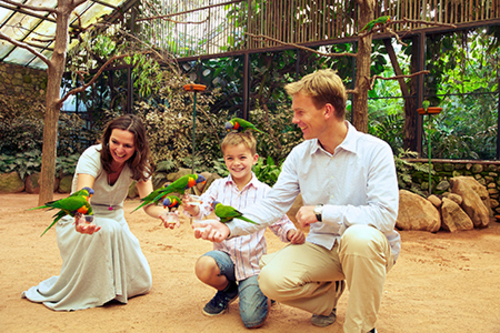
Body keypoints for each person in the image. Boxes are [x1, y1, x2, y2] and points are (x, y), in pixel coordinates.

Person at [193, 69, 401, 333]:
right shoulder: (299, 155)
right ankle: (327, 297)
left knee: (358, 238)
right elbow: (273, 204)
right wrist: (230, 227)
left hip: (367, 250)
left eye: (300, 112)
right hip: (322, 247)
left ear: (327, 111)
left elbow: (384, 217)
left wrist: (324, 212)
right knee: (269, 279)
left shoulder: (375, 150)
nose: (294, 120)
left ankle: (361, 329)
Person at [23, 114, 174, 311]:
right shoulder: (92, 156)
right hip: (80, 219)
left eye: (127, 146)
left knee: (142, 283)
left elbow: (148, 204)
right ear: (107, 139)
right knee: (108, 227)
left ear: (138, 146)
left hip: (115, 220)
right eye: (115, 142)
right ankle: (97, 291)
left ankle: (106, 287)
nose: (119, 150)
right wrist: (83, 221)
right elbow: (82, 197)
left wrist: (163, 214)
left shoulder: (140, 165)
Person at [183, 131, 305, 328]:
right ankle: (228, 289)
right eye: (230, 158)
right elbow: (202, 206)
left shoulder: (265, 192)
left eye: (242, 157)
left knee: (252, 320)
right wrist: (193, 208)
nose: (236, 163)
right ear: (224, 160)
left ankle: (262, 291)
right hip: (225, 259)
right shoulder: (218, 186)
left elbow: (279, 221)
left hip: (252, 266)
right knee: (204, 266)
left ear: (254, 159)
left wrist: (290, 233)